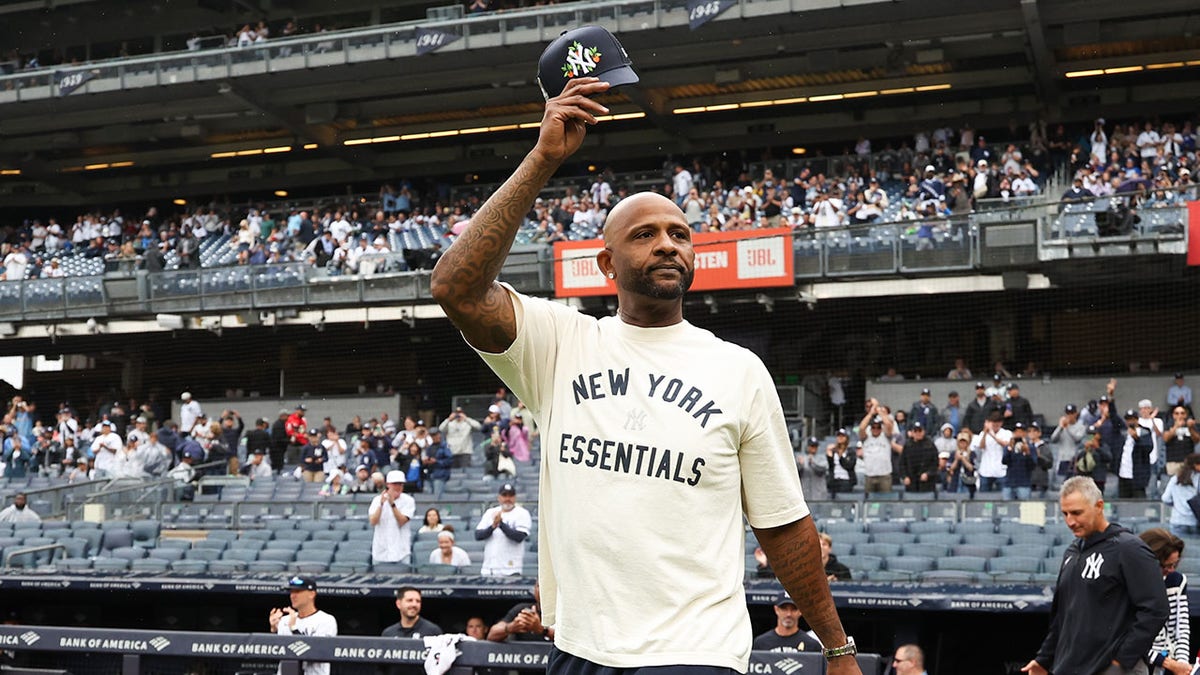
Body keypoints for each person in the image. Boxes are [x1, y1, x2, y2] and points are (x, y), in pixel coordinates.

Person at [431, 71, 857, 673]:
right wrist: (542, 159)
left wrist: (837, 649)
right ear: (607, 262)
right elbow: (456, 289)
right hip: (579, 648)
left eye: (680, 234)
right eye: (646, 234)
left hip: (695, 653)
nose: (667, 244)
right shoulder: (562, 342)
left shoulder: (738, 370)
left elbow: (784, 526)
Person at [1022, 476, 1167, 675]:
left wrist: (1121, 663)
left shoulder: (1129, 548)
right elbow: (1063, 617)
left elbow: (1155, 610)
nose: (1070, 521)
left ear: (1099, 506)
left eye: (1076, 513)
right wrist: (1043, 659)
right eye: (1065, 514)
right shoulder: (1072, 552)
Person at [1138, 529, 1190, 675]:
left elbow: (1182, 627)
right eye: (1166, 566)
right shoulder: (1133, 585)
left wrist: (1182, 663)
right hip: (1140, 663)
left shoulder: (1177, 580)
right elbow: (1130, 640)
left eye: (1175, 564)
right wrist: (1167, 663)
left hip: (1171, 661)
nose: (1171, 570)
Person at [268, 576, 337, 675]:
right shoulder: (285, 620)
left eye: (297, 591)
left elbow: (316, 653)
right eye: (291, 592)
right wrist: (273, 630)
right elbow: (277, 652)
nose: (292, 596)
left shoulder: (326, 620)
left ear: (311, 594)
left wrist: (294, 628)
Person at [474, 483, 531, 577]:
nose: (507, 499)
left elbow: (519, 537)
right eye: (504, 495)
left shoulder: (522, 513)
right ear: (499, 497)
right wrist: (493, 526)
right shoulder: (490, 512)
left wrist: (501, 524)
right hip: (489, 569)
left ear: (515, 497)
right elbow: (478, 535)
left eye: (510, 495)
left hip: (511, 570)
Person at [368, 470, 416, 567]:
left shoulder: (409, 500)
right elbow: (373, 521)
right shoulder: (377, 500)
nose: (398, 487)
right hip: (380, 550)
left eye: (400, 484)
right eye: (395, 484)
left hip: (401, 551)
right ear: (388, 485)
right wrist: (381, 505)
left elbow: (402, 521)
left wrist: (392, 504)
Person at [752, 593, 824, 652]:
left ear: (800, 611)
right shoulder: (761, 643)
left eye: (794, 609)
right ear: (776, 609)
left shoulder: (812, 645)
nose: (788, 614)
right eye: (784, 609)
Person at [487, 582, 553, 643]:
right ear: (535, 589)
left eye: (546, 586)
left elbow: (563, 641)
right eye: (539, 586)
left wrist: (543, 630)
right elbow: (491, 635)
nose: (542, 590)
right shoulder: (522, 610)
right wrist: (510, 627)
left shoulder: (560, 613)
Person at [1161, 454, 1200, 537]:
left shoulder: (1175, 478)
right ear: (1195, 465)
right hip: (1194, 520)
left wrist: (1176, 504)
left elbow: (1165, 498)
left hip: (1177, 519)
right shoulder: (1198, 479)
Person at [797, 437, 828, 501]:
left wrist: (813, 462)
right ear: (808, 447)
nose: (814, 448)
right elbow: (797, 473)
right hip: (805, 493)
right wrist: (800, 465)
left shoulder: (822, 458)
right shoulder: (801, 458)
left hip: (818, 493)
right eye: (812, 446)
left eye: (815, 446)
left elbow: (821, 470)